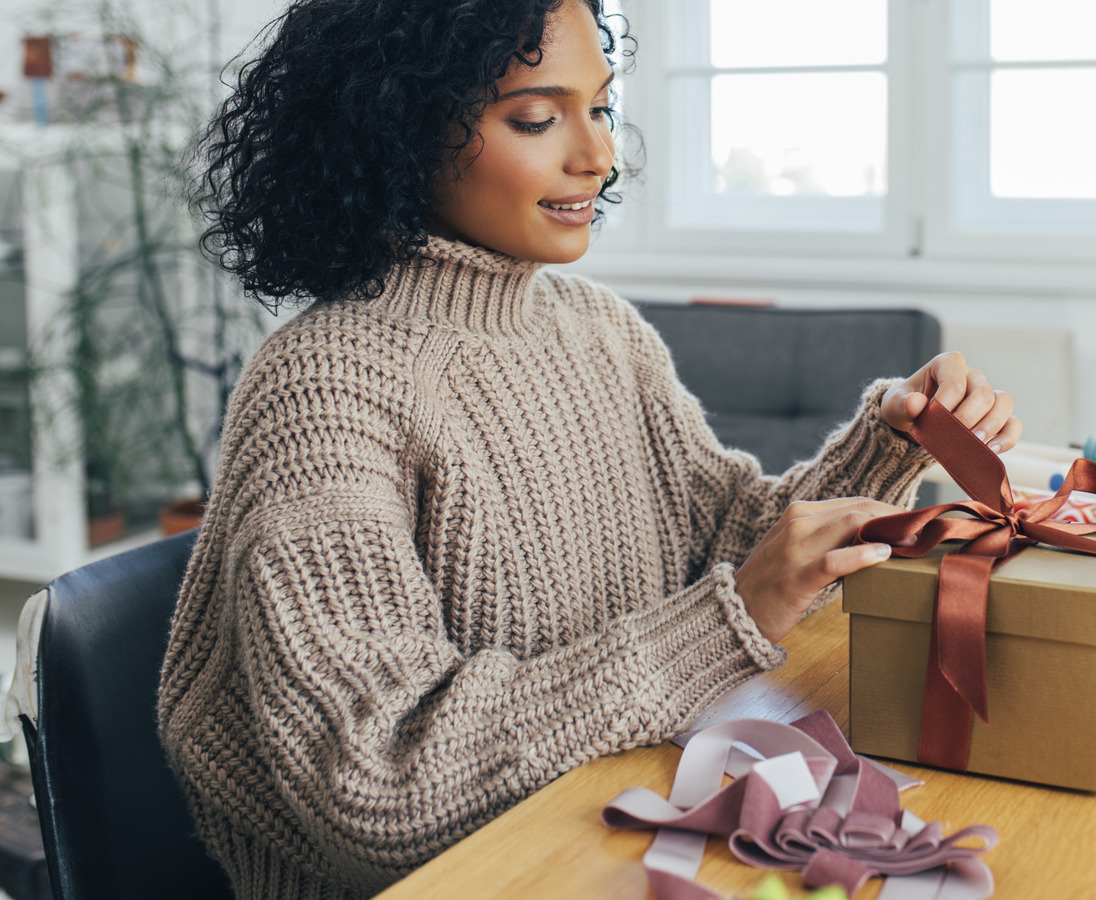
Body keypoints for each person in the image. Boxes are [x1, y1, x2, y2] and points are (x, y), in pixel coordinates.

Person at [157, 1, 1021, 898]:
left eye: (601, 108)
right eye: (536, 117)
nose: (597, 156)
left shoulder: (596, 327)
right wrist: (731, 615)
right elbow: (385, 787)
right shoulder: (324, 387)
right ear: (395, 129)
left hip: (614, 821)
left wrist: (891, 440)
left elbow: (726, 544)